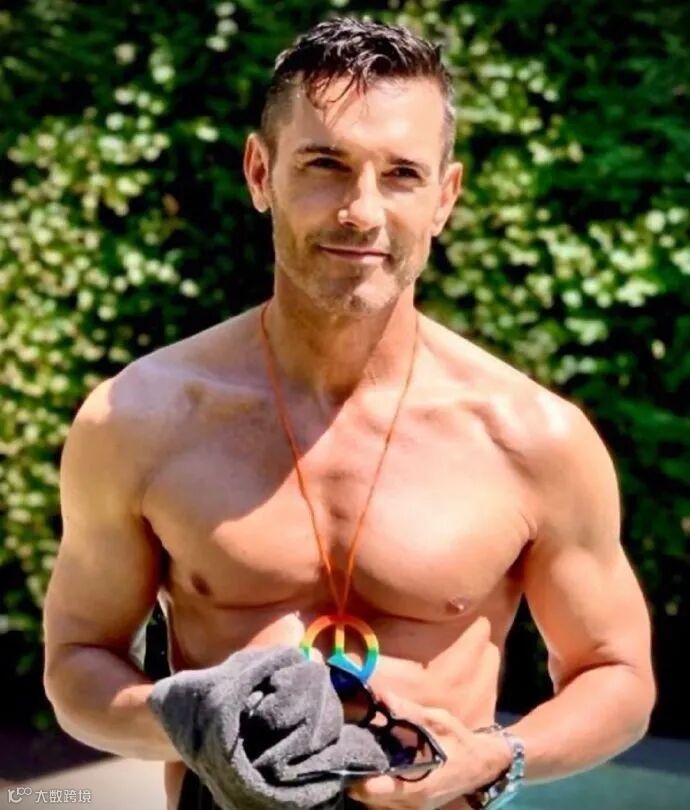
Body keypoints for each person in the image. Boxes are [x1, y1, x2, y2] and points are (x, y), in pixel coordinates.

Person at [42, 16, 655, 810]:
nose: (362, 211)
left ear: (444, 197)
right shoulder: (140, 421)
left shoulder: (531, 438)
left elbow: (618, 676)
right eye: (326, 165)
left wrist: (494, 756)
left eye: (401, 174)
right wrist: (188, 721)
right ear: (260, 173)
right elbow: (78, 662)